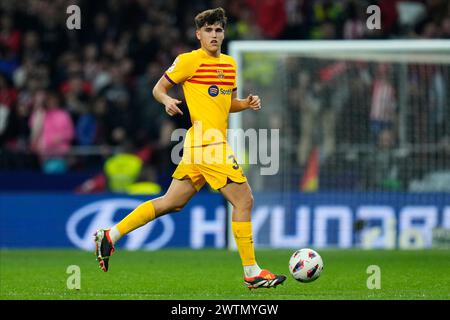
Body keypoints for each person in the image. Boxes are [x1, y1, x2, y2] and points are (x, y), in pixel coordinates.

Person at [94, 7, 286, 289]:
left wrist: (244, 104)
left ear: (223, 33)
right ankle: (252, 272)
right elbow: (158, 88)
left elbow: (224, 103)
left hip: (201, 144)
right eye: (208, 30)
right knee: (244, 201)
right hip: (208, 143)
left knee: (172, 202)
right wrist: (167, 101)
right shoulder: (188, 61)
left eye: (218, 30)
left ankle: (111, 235)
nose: (214, 35)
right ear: (199, 34)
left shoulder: (230, 65)